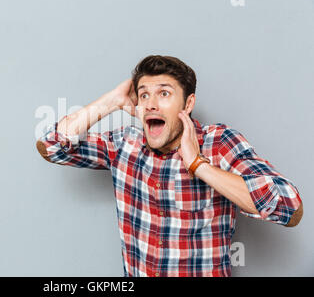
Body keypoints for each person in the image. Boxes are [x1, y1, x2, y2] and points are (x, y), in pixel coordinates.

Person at [35, 55, 303, 277]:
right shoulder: (124, 144)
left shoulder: (218, 143)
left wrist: (198, 165)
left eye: (164, 93)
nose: (151, 104)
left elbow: (290, 207)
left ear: (188, 104)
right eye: (144, 95)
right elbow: (51, 146)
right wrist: (112, 102)